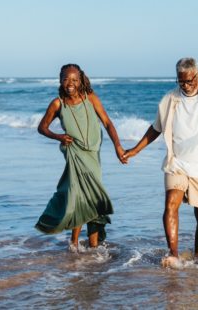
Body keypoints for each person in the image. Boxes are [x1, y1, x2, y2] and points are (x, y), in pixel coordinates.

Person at [122, 58, 198, 265]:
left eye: (191, 81)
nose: (187, 86)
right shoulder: (169, 99)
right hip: (177, 162)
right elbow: (156, 127)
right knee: (171, 202)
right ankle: (173, 254)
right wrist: (136, 149)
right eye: (182, 82)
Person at [35, 64, 127, 251]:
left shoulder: (91, 98)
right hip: (75, 154)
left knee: (93, 197)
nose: (70, 83)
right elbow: (42, 127)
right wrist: (58, 136)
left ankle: (92, 246)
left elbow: (108, 123)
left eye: (74, 79)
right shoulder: (58, 104)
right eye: (66, 79)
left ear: (80, 80)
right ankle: (74, 242)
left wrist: (118, 146)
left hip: (93, 154)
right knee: (80, 196)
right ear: (60, 80)